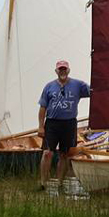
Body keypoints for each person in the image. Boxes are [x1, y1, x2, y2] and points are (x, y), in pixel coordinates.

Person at [37, 58, 90, 188]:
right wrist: (40, 126)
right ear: (56, 71)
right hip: (52, 124)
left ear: (68, 70)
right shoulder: (49, 87)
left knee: (64, 155)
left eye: (64, 69)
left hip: (69, 124)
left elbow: (95, 92)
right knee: (47, 153)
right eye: (60, 69)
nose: (62, 71)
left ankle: (60, 183)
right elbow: (42, 107)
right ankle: (43, 182)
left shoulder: (78, 85)